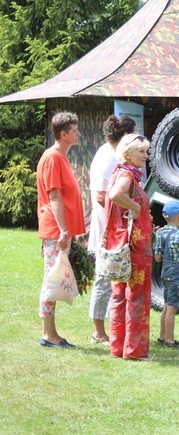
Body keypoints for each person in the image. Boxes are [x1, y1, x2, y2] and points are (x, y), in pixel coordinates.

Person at [37, 112, 86, 348]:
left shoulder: (62, 158)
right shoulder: (53, 158)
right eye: (75, 130)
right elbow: (54, 196)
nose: (78, 134)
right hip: (55, 231)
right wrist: (64, 232)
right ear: (63, 134)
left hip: (61, 231)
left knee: (56, 280)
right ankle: (48, 335)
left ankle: (52, 333)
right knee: (52, 280)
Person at [88, 114, 137, 345]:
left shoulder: (111, 153)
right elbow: (100, 196)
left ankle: (113, 327)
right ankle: (98, 331)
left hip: (113, 228)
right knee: (103, 278)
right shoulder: (107, 157)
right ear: (126, 136)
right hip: (106, 229)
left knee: (114, 278)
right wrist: (124, 212)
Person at [105, 133, 153, 360]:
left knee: (119, 296)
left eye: (146, 151)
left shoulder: (120, 173)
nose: (146, 155)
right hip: (134, 246)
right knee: (137, 297)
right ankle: (134, 351)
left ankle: (118, 347)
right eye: (142, 151)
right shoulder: (126, 175)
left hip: (121, 246)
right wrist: (135, 207)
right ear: (127, 154)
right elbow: (116, 195)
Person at [154, 200, 179, 349]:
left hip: (165, 274)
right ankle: (170, 340)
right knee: (172, 308)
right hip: (177, 275)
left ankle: (162, 335)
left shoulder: (161, 233)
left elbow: (157, 258)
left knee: (166, 305)